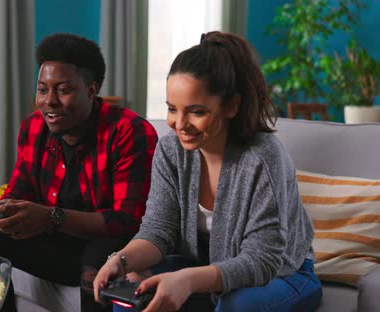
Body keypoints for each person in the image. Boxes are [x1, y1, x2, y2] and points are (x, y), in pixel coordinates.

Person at [93, 31, 322, 312]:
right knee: (131, 297)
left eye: (196, 112)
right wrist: (121, 260)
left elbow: (263, 260)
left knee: (236, 305)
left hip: (284, 275)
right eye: (172, 109)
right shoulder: (170, 150)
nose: (179, 124)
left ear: (231, 106)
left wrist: (187, 281)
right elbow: (158, 230)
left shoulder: (263, 156)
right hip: (202, 266)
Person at [0, 33, 158, 312]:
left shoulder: (129, 131)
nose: (49, 101)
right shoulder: (33, 127)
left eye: (63, 90)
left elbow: (128, 221)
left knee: (99, 253)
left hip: (110, 250)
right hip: (58, 247)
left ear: (92, 89)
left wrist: (50, 217)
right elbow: (19, 189)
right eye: (42, 89)